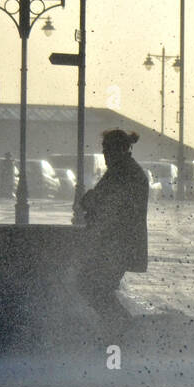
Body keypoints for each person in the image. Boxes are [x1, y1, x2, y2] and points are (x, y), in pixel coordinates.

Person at [76, 129, 149, 323]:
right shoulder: (123, 170)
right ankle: (119, 328)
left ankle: (123, 329)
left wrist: (91, 201)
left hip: (118, 244)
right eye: (104, 150)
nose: (104, 155)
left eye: (107, 150)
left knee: (91, 285)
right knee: (93, 285)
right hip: (117, 244)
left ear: (119, 149)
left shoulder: (124, 172)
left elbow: (106, 203)